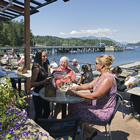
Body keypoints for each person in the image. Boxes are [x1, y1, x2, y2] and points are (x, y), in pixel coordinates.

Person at [67, 54, 117, 140]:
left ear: (102, 65)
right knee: (73, 105)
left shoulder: (108, 79)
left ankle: (89, 132)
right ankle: (86, 133)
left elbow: (94, 95)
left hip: (103, 110)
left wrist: (75, 93)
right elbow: (90, 85)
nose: (95, 65)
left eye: (96, 63)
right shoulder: (101, 76)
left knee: (73, 110)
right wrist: (77, 87)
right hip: (96, 104)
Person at [31, 50, 51, 123]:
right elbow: (32, 84)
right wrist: (44, 81)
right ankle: (37, 127)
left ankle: (42, 125)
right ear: (39, 57)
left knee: (47, 111)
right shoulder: (36, 68)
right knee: (38, 114)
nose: (46, 57)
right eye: (43, 56)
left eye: (46, 56)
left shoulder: (44, 66)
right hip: (37, 94)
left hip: (44, 93)